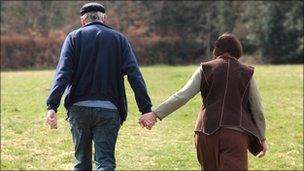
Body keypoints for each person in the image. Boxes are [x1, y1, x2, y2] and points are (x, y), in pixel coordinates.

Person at [46, 2, 152, 170]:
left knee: (81, 163)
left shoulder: (73, 38)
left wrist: (52, 106)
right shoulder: (119, 39)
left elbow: (63, 74)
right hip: (109, 110)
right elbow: (134, 75)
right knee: (105, 163)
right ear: (104, 19)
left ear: (83, 20)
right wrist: (145, 109)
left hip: (79, 109)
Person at [139, 33, 268, 170]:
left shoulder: (205, 69)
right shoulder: (247, 73)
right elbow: (257, 109)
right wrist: (262, 138)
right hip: (235, 134)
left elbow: (182, 96)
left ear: (216, 50)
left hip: (205, 132)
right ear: (238, 51)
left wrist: (154, 114)